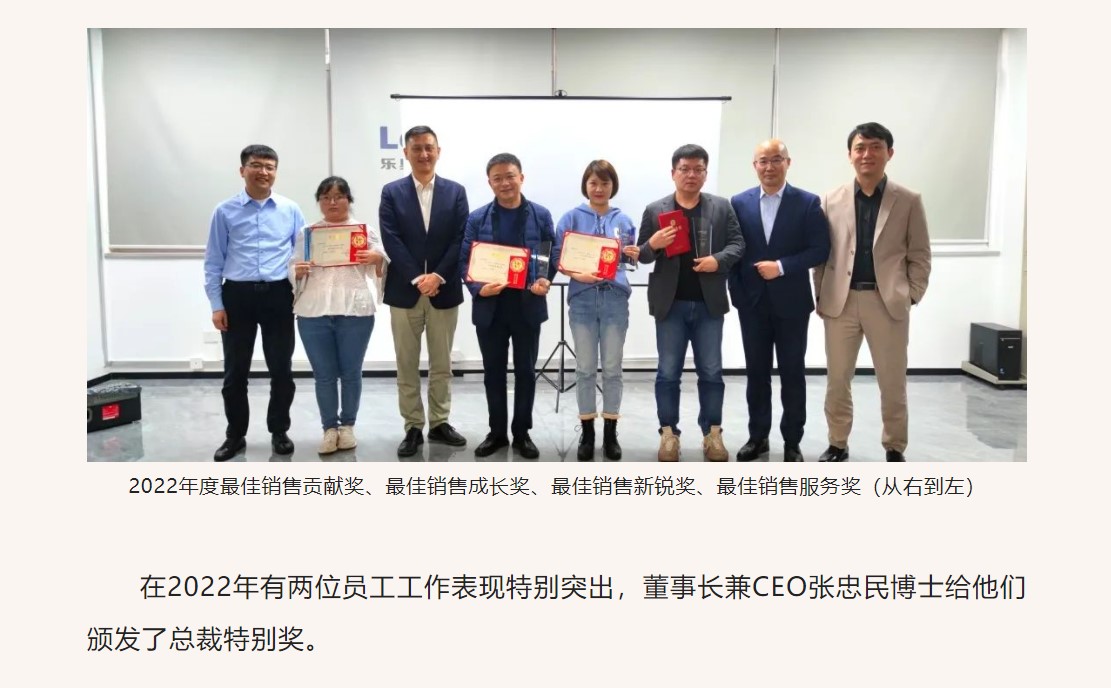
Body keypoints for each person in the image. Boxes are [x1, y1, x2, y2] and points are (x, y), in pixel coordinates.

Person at [814, 122, 932, 462]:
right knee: (838, 380)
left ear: (889, 153)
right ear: (850, 155)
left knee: (892, 382)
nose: (867, 154)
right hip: (841, 302)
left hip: (888, 303)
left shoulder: (908, 200)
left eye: (876, 147)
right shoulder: (830, 199)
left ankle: (894, 446)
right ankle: (837, 443)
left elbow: (920, 254)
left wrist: (911, 294)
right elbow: (822, 255)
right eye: (860, 147)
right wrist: (821, 294)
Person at [636, 144, 744, 462]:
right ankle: (669, 434)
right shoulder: (655, 210)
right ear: (673, 173)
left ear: (705, 174)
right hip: (670, 305)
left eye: (698, 169)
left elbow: (738, 244)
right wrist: (653, 243)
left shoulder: (721, 207)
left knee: (711, 371)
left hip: (709, 304)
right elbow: (641, 255)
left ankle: (712, 433)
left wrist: (718, 260)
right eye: (684, 169)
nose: (691, 175)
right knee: (668, 372)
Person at [729, 139, 830, 462]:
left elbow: (820, 250)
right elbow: (733, 251)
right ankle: (758, 437)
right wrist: (738, 295)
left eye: (776, 159)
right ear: (754, 165)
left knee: (792, 374)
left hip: (792, 304)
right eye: (763, 160)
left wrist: (782, 266)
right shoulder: (738, 203)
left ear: (788, 162)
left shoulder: (808, 202)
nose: (769, 167)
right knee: (756, 374)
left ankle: (792, 441)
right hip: (752, 304)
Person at [204, 144, 305, 461]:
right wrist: (216, 305)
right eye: (256, 165)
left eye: (270, 166)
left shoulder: (290, 209)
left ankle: (279, 431)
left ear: (276, 172)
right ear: (242, 170)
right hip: (238, 297)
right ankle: (235, 435)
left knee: (282, 371)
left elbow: (301, 254)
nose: (263, 171)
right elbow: (213, 261)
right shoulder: (225, 211)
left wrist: (301, 292)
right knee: (235, 373)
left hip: (279, 295)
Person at [459, 153, 559, 459]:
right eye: (498, 178)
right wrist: (478, 288)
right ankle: (497, 433)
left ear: (521, 178)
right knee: (493, 373)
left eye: (510, 176)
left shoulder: (540, 215)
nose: (505, 183)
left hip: (527, 304)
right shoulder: (477, 218)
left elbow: (549, 254)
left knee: (526, 372)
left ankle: (522, 433)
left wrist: (544, 280)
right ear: (490, 183)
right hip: (490, 306)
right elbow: (465, 261)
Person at [379, 125, 470, 458]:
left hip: (444, 290)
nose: (423, 154)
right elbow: (391, 239)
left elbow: (461, 238)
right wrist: (419, 277)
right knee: (406, 364)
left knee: (442, 364)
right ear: (406, 153)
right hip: (405, 291)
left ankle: (440, 422)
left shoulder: (455, 192)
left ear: (438, 151)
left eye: (429, 147)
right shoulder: (392, 192)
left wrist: (438, 276)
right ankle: (413, 426)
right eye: (416, 148)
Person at [290, 177, 387, 454]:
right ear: (319, 202)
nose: (332, 202)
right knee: (324, 375)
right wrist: (296, 270)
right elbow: (292, 265)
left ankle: (348, 427)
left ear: (348, 200)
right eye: (325, 197)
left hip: (355, 311)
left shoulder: (364, 232)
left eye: (338, 196)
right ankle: (329, 429)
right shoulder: (307, 233)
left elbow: (381, 264)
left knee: (351, 372)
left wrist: (377, 259)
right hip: (314, 312)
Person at [555, 160, 639, 461]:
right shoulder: (571, 218)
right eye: (593, 183)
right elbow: (558, 257)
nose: (599, 188)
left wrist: (633, 254)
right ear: (585, 185)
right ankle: (587, 432)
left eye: (605, 183)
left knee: (613, 368)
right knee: (585, 368)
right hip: (583, 299)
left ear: (613, 186)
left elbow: (629, 262)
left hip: (615, 298)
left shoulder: (624, 220)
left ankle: (610, 433)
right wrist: (577, 274)